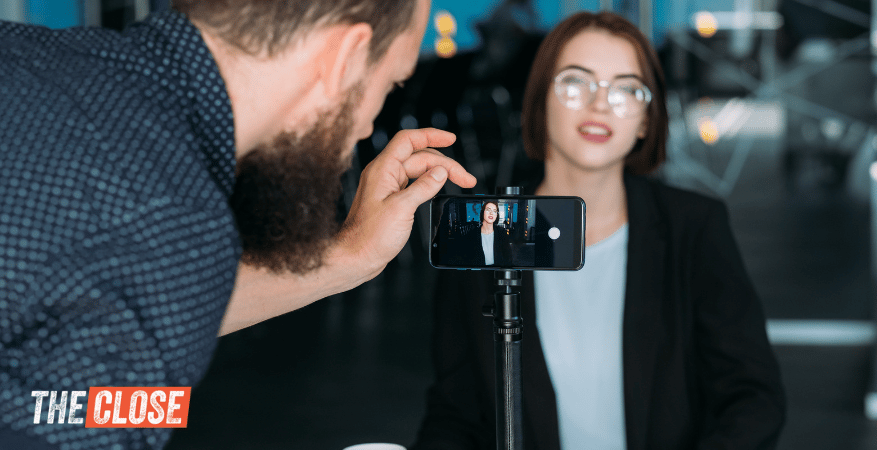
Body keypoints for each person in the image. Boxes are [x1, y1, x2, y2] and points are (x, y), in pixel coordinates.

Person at [0, 0, 476, 449]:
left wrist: (353, 257)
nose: (366, 129)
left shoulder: (24, 50)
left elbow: (75, 324)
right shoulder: (167, 221)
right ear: (345, 59)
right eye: (390, 85)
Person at [412, 11, 786, 450]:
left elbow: (753, 399)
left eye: (626, 88)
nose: (600, 103)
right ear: (540, 99)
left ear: (646, 119)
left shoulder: (693, 226)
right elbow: (456, 414)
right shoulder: (487, 234)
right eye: (576, 81)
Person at [456, 200, 511, 267]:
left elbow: (508, 258)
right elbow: (466, 259)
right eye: (488, 210)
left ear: (497, 215)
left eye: (494, 211)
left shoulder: (502, 233)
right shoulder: (471, 235)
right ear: (483, 212)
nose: (491, 213)